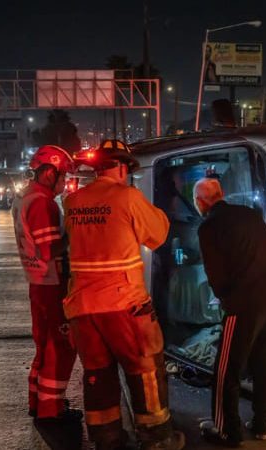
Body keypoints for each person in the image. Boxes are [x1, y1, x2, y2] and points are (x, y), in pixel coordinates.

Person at [63, 140, 184, 450]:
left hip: (82, 309)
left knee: (98, 376)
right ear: (120, 167)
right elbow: (157, 236)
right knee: (144, 371)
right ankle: (158, 439)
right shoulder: (128, 197)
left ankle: (107, 440)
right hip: (123, 305)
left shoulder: (74, 202)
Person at [193, 177, 266, 447]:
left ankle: (226, 430)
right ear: (221, 194)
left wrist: (224, 300)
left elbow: (215, 273)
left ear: (201, 202)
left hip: (243, 303)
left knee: (227, 369)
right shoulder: (250, 214)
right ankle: (261, 425)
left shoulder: (209, 226)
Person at [12, 145, 81, 422]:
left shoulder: (24, 198)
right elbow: (50, 248)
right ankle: (52, 409)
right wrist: (74, 231)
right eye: (63, 176)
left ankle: (37, 401)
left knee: (43, 345)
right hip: (52, 284)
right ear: (49, 172)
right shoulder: (43, 202)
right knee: (60, 345)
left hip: (38, 282)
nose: (65, 183)